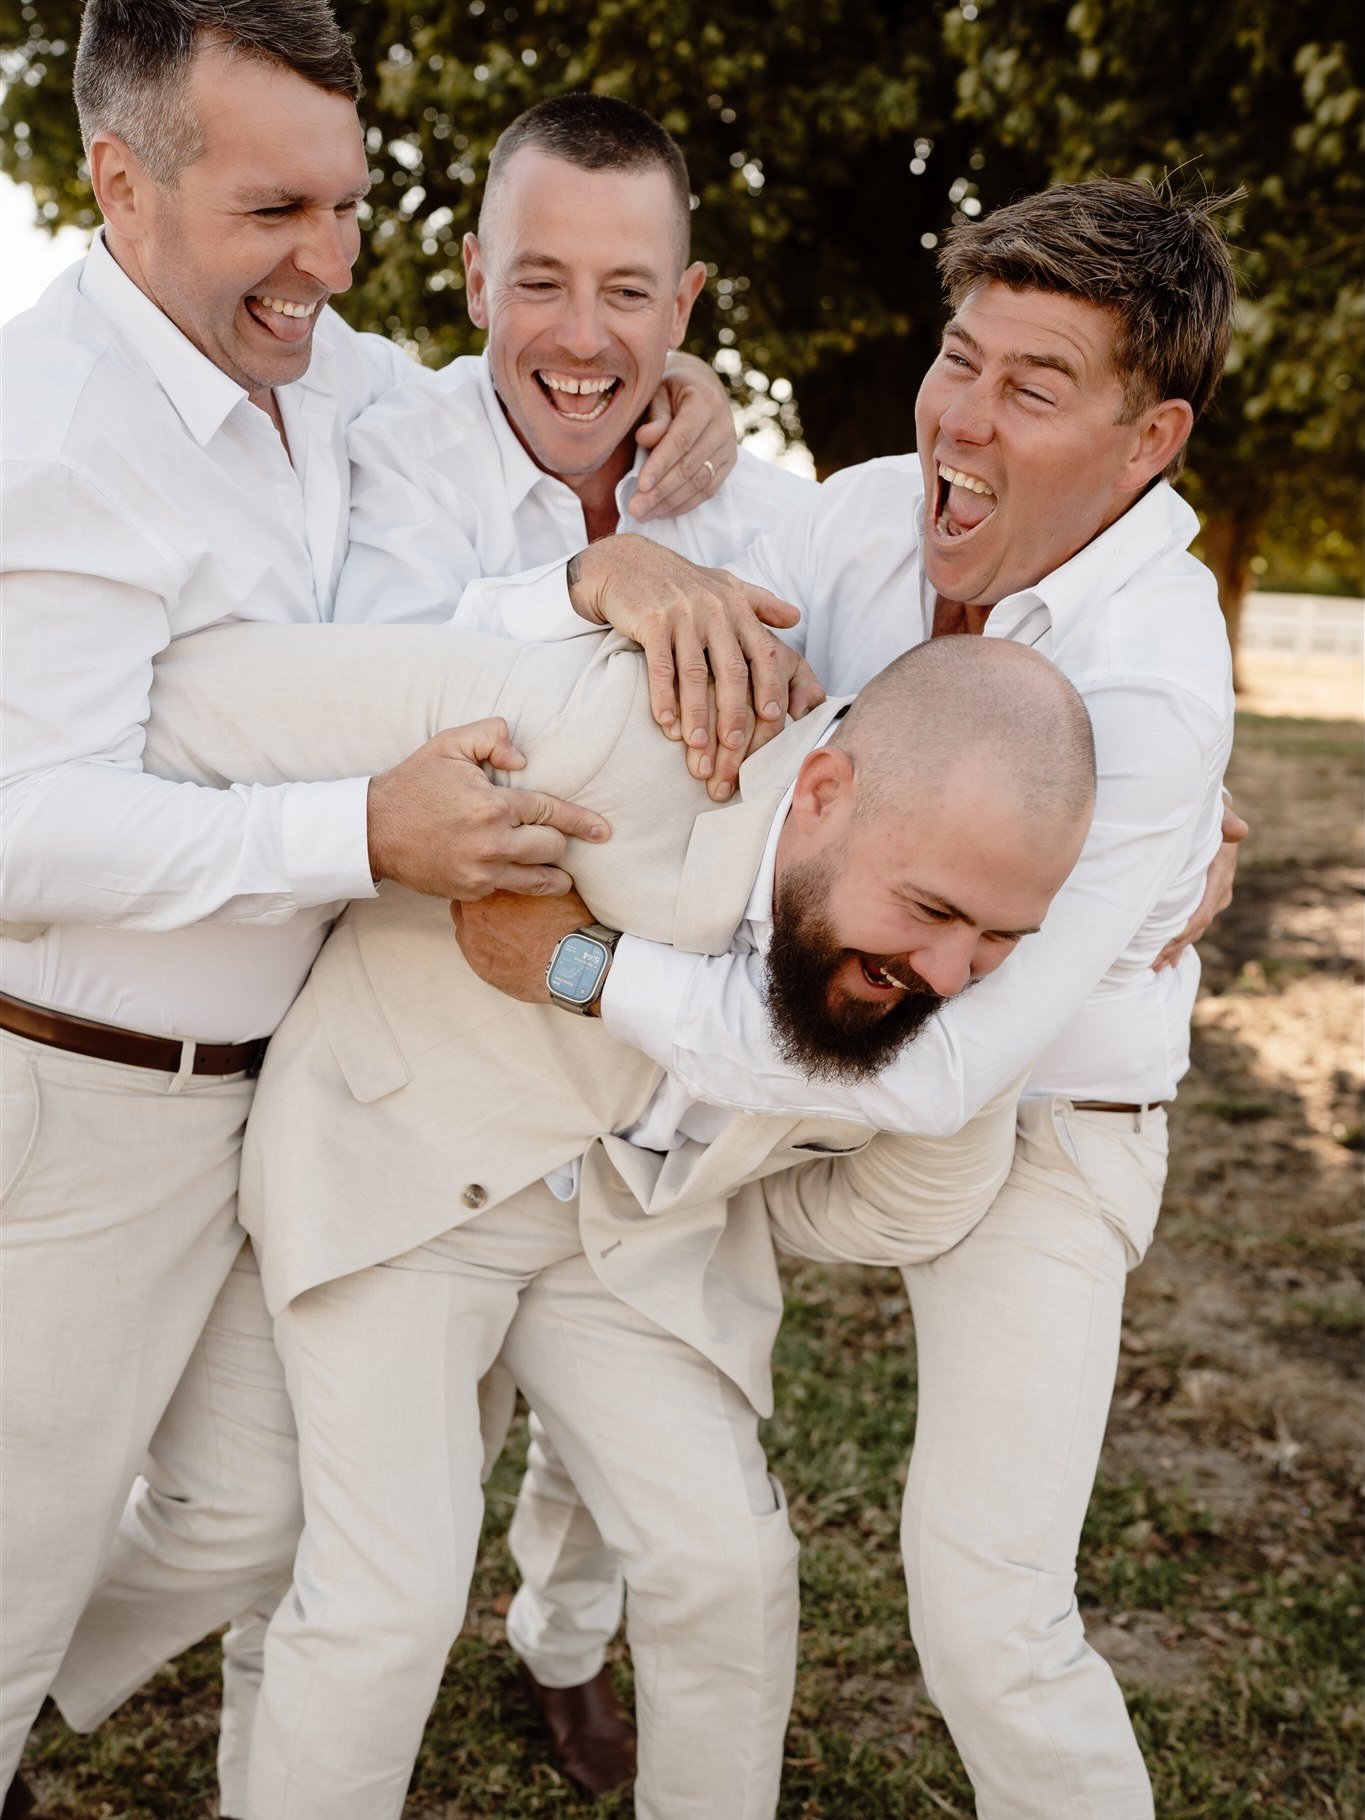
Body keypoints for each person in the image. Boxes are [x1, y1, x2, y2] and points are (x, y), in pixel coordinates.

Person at [0, 6, 749, 1805]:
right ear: (122, 178)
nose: (330, 262)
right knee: (9, 1584)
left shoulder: (318, 366)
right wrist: (363, 834)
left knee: (247, 1518)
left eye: (346, 207)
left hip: (277, 1088)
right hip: (83, 1094)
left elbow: (494, 396)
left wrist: (666, 409)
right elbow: (20, 834)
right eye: (279, 210)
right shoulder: (54, 433)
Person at [457, 178, 1242, 1818]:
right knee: (633, 1290)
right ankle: (562, 1634)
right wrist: (628, 571)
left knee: (987, 1612)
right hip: (779, 1032)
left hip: (1028, 1123)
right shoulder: (873, 507)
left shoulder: (1160, 688)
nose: (965, 414)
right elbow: (621, 595)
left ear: (1148, 436)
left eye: (1034, 389)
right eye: (961, 357)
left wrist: (590, 969)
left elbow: (942, 1078)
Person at [107, 618, 1095, 1818]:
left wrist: (742, 1171)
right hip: (406, 1172)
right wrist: (371, 828)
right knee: (391, 1596)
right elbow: (208, 697)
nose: (948, 972)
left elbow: (909, 1200)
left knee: (730, 1569)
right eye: (931, 909)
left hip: (638, 1244)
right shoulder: (607, 722)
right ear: (825, 792)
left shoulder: (948, 989)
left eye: (999, 938)